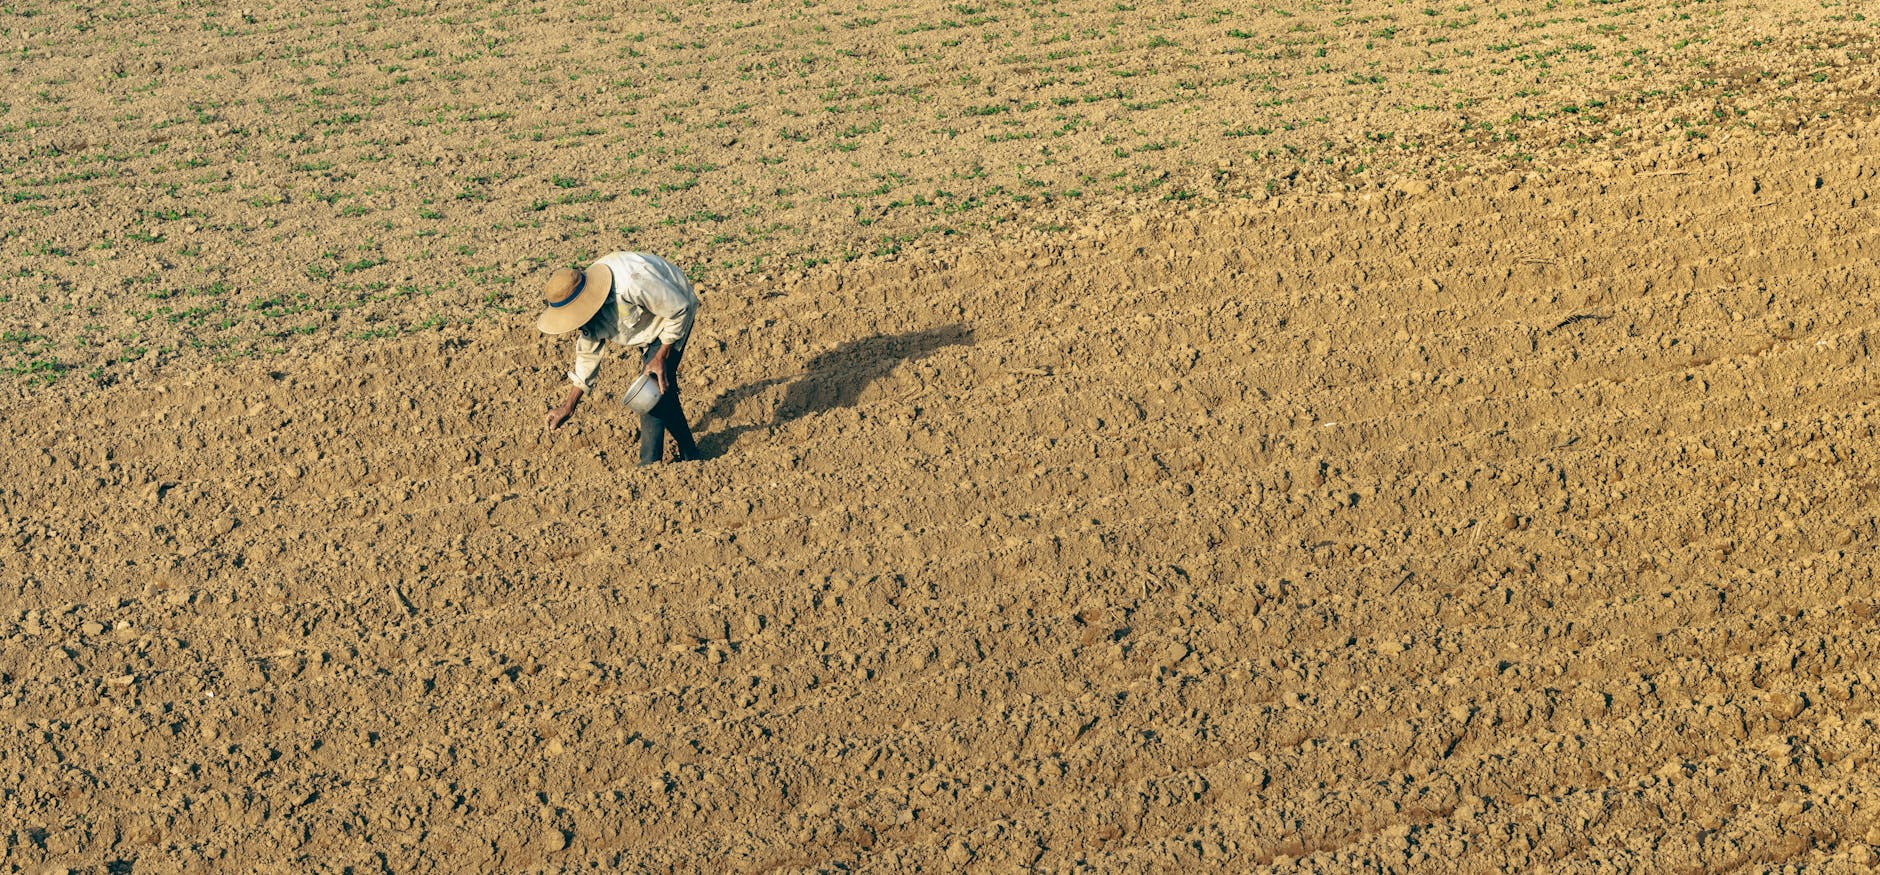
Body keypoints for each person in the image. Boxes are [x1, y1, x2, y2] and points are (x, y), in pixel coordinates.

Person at [538, 251, 703, 465]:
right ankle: (692, 456)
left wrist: (661, 354)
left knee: (648, 392)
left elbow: (680, 307)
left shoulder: (631, 283)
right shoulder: (588, 313)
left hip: (673, 311)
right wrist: (568, 406)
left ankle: (649, 466)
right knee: (663, 390)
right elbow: (588, 355)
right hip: (647, 326)